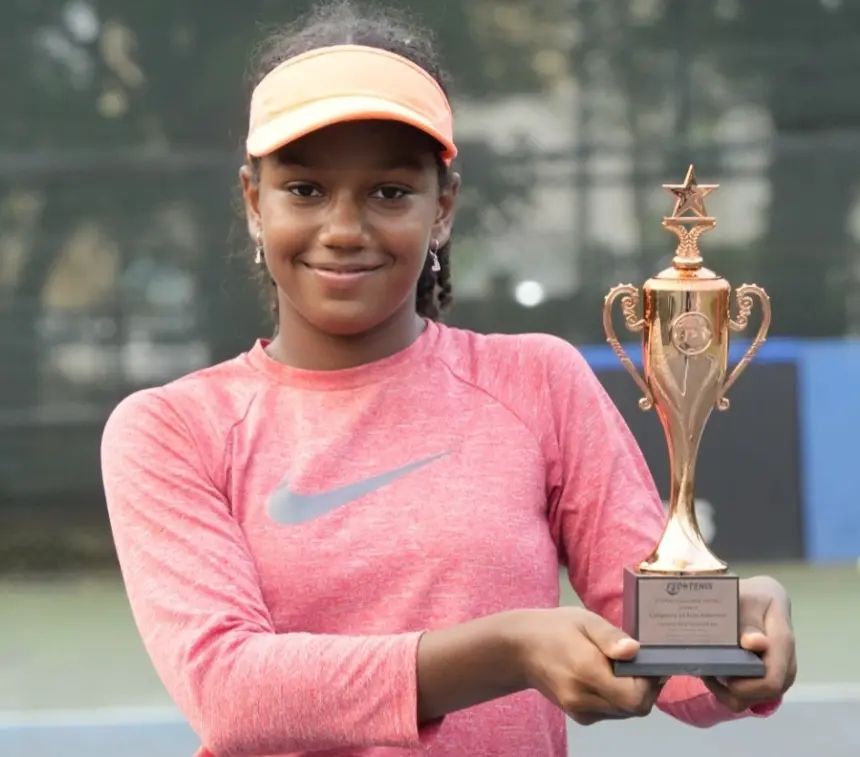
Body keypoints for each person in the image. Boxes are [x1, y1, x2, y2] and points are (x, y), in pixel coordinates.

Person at [100, 3, 797, 756]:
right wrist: (504, 649)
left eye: (389, 192)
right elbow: (230, 691)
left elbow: (649, 637)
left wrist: (732, 631)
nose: (342, 227)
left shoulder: (537, 381)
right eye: (304, 189)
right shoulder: (171, 428)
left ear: (443, 208)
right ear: (252, 202)